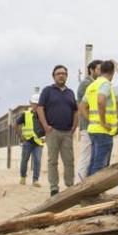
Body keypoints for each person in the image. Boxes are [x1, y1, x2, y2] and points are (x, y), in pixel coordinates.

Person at [37, 65, 78, 196]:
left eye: (63, 73)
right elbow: (40, 108)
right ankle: (54, 188)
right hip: (52, 131)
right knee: (52, 161)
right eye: (58, 73)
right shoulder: (47, 91)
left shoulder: (70, 92)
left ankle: (70, 186)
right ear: (53, 76)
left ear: (66, 76)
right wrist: (46, 126)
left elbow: (75, 111)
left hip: (67, 133)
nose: (61, 75)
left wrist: (74, 126)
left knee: (69, 161)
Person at [80, 60, 118, 176]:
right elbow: (101, 100)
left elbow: (82, 106)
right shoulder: (105, 84)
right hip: (103, 131)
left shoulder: (92, 85)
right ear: (112, 72)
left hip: (92, 129)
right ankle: (93, 192)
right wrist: (103, 123)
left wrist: (92, 120)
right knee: (100, 165)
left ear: (101, 71)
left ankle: (88, 189)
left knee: (93, 162)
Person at [76, 59, 102, 182]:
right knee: (85, 157)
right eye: (99, 69)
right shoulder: (87, 84)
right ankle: (78, 185)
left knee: (93, 158)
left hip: (95, 126)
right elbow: (83, 106)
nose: (101, 71)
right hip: (88, 126)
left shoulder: (98, 83)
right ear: (91, 70)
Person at [16, 94, 45, 187]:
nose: (36, 105)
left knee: (37, 161)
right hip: (27, 141)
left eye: (37, 104)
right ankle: (23, 177)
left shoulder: (44, 115)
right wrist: (20, 136)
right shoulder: (25, 114)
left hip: (38, 142)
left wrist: (46, 137)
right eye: (34, 103)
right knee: (25, 159)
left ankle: (35, 180)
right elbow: (15, 124)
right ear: (31, 104)